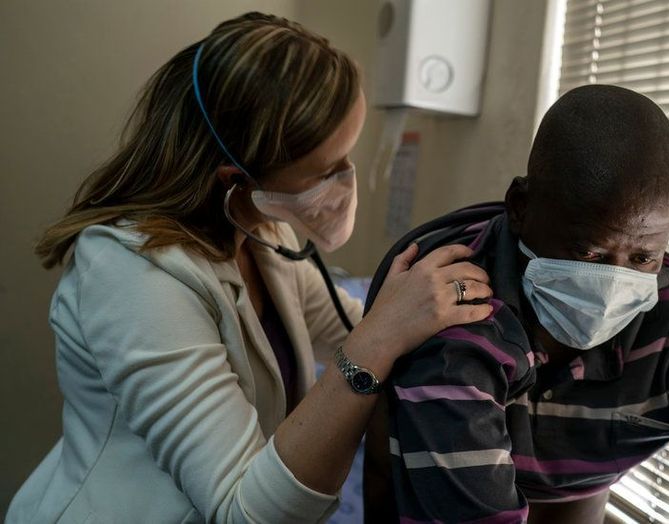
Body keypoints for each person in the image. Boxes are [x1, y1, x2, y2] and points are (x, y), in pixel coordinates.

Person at [7, 12, 494, 523]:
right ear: (234, 179)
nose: (346, 183)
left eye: (347, 159)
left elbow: (348, 326)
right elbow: (245, 511)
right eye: (327, 170)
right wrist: (378, 341)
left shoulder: (261, 232)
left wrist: (438, 321)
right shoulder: (133, 276)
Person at [363, 85, 669, 523]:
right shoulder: (450, 312)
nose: (613, 284)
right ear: (520, 207)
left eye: (643, 258)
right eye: (589, 253)